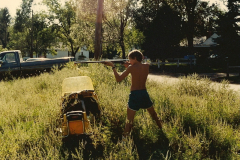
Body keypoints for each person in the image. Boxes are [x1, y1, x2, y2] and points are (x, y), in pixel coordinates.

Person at [104, 50, 162, 137]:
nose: (129, 61)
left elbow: (118, 79)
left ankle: (124, 140)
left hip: (135, 95)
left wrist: (113, 66)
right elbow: (137, 69)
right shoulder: (146, 66)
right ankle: (162, 130)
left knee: (129, 120)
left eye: (130, 59)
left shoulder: (131, 68)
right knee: (154, 115)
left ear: (135, 58)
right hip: (144, 93)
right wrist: (130, 65)